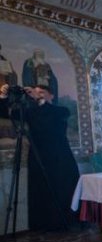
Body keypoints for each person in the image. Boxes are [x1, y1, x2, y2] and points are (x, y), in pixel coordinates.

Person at [0, 84, 79, 231]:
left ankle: (67, 222)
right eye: (36, 93)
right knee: (40, 189)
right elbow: (6, 113)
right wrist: (3, 96)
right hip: (38, 155)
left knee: (63, 187)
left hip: (59, 156)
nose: (39, 95)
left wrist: (37, 99)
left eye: (42, 92)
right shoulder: (30, 112)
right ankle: (44, 224)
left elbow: (50, 118)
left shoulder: (61, 110)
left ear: (52, 96)